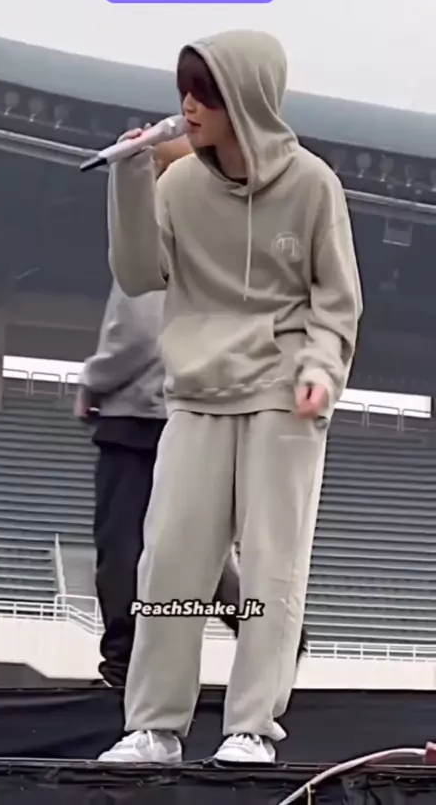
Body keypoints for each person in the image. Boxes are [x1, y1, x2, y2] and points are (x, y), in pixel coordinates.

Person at [101, 30, 362, 764]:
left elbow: (337, 299)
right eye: (184, 91)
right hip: (196, 391)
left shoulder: (313, 184)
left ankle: (251, 728)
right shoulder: (178, 185)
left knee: (273, 563)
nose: (188, 107)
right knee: (169, 562)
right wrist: (129, 179)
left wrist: (322, 369)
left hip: (284, 391)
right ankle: (155, 728)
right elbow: (139, 274)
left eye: (205, 93)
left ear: (245, 98)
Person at [76, 135, 308, 688]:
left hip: (139, 413)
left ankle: (123, 660)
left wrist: (92, 380)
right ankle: (271, 628)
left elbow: (136, 333)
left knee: (124, 540)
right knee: (196, 541)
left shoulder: (157, 235)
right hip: (199, 408)